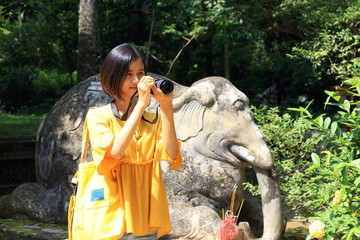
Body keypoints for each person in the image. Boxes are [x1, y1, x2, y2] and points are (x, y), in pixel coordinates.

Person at [85, 43, 182, 239]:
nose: (136, 80)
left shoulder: (150, 119)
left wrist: (166, 107)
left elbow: (172, 155)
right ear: (112, 76)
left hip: (147, 214)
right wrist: (140, 107)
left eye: (140, 73)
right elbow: (113, 154)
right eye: (128, 74)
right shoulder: (98, 117)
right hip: (112, 215)